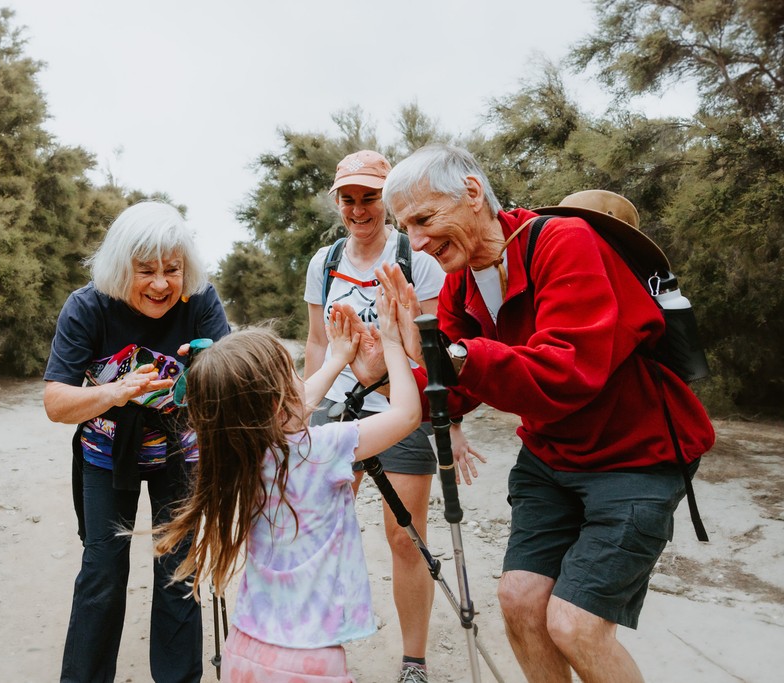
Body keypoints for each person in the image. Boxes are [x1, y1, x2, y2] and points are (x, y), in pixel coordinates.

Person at [365, 143, 715, 683]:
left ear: (473, 193)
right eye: (405, 227)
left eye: (424, 218)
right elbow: (452, 392)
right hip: (551, 458)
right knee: (521, 601)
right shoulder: (460, 281)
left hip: (635, 459)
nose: (416, 241)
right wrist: (386, 364)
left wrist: (444, 352)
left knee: (575, 625)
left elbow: (568, 370)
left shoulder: (564, 241)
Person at [154, 291, 422, 683]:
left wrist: (336, 359)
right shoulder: (324, 448)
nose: (304, 384)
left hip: (244, 649)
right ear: (279, 404)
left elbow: (289, 409)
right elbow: (407, 414)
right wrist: (394, 341)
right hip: (311, 662)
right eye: (295, 376)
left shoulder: (236, 453)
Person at [43, 201, 231, 683]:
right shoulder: (87, 306)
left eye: (172, 269)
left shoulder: (201, 301)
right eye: (144, 270)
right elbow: (57, 403)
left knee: (178, 574)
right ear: (118, 267)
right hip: (107, 456)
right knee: (102, 575)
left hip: (182, 454)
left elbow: (233, 384)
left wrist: (211, 367)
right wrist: (115, 392)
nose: (161, 284)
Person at [302, 149, 471, 683]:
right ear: (338, 202)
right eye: (348, 199)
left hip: (401, 412)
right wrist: (308, 412)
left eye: (369, 198)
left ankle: (413, 661)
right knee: (323, 530)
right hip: (338, 413)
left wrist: (453, 422)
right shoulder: (324, 262)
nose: (358, 210)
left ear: (386, 199)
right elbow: (314, 341)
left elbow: (437, 348)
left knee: (405, 536)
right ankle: (317, 646)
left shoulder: (416, 258)